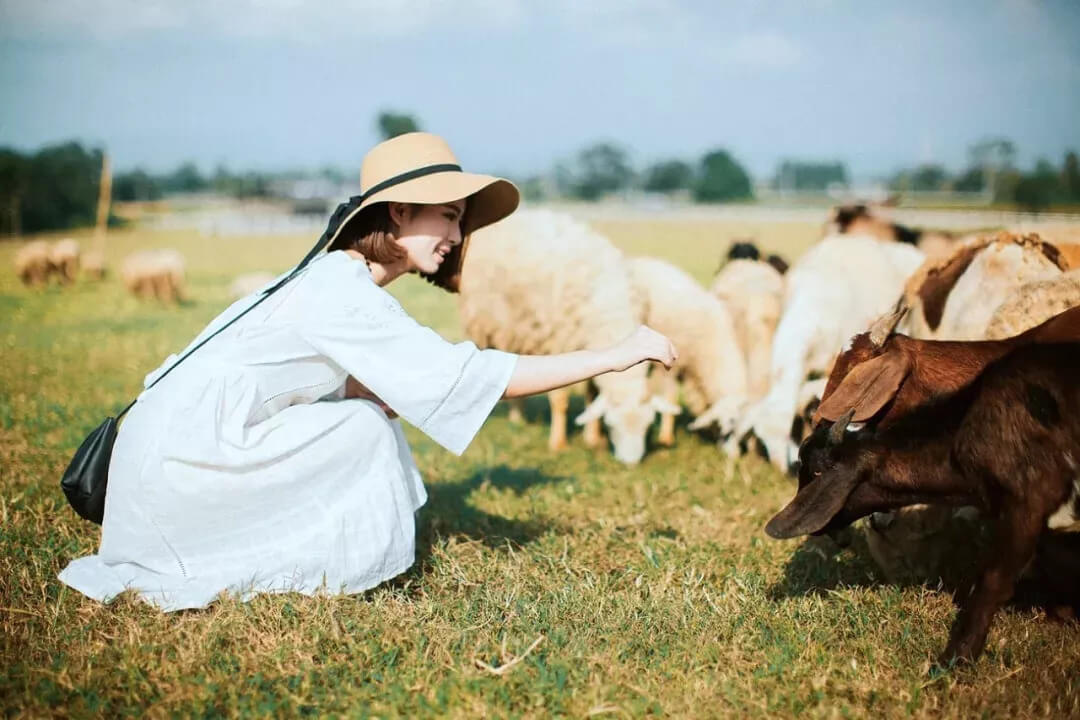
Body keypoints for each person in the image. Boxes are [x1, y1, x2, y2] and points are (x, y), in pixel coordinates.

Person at [58, 132, 677, 611]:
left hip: (164, 458)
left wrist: (371, 390)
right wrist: (615, 354)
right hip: (178, 469)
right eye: (451, 216)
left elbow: (311, 373)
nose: (459, 237)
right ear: (402, 213)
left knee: (369, 411)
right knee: (364, 430)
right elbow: (473, 377)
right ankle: (317, 562)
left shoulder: (336, 278)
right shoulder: (343, 291)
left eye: (461, 220)